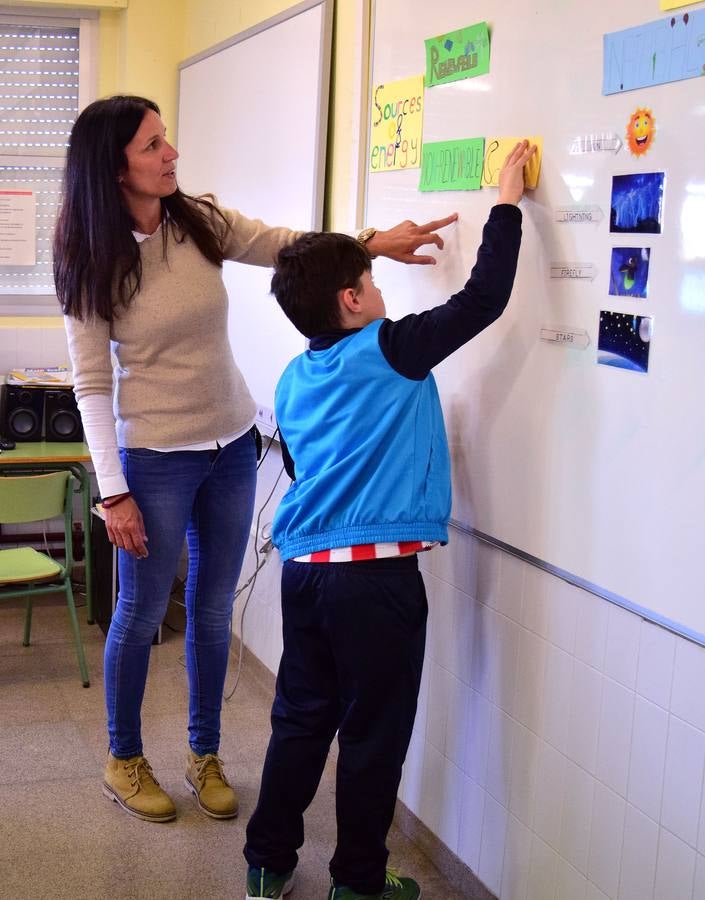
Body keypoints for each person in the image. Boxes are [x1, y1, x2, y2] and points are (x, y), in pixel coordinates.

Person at [53, 94, 458, 825]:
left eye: (165, 139)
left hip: (232, 444)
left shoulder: (195, 220)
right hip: (154, 458)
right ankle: (124, 758)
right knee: (141, 611)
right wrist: (113, 492)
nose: (170, 152)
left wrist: (365, 244)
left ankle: (203, 753)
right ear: (114, 170)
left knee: (213, 611)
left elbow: (282, 246)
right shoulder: (88, 258)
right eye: (152, 145)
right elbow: (90, 382)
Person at [243, 141, 536, 899]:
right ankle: (358, 884)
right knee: (371, 739)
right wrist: (505, 200)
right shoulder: (393, 349)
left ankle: (267, 865)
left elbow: (309, 468)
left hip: (304, 576)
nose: (379, 291)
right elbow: (482, 302)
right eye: (371, 280)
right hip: (373, 583)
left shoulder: (295, 373)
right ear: (350, 299)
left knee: (301, 721)